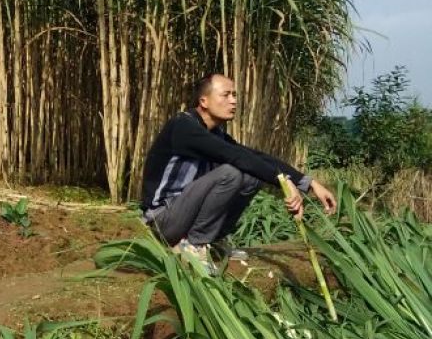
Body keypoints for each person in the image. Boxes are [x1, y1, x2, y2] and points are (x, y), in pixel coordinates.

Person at [141, 73, 337, 274]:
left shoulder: (214, 133)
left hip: (184, 214)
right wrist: (284, 182)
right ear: (204, 101)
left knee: (251, 175)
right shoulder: (184, 126)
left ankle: (213, 240)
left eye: (234, 95)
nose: (233, 100)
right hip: (163, 219)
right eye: (226, 95)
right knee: (231, 172)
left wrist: (309, 183)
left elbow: (253, 156)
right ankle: (194, 246)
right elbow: (235, 156)